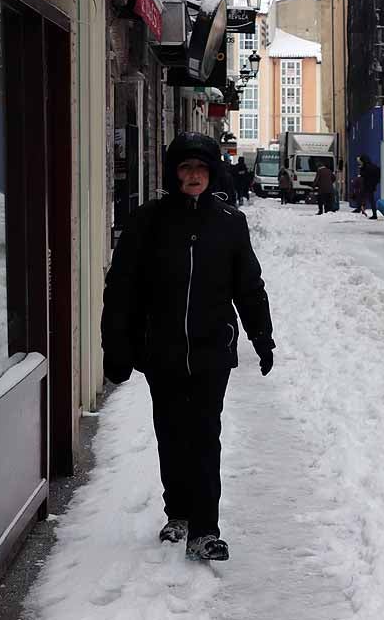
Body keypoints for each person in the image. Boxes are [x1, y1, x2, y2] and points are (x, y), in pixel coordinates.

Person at [101, 131, 275, 562]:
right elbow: (121, 288)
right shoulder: (148, 221)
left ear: (212, 172)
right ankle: (177, 511)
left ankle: (204, 529)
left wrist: (261, 335)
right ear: (173, 173)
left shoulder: (229, 222)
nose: (193, 176)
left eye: (200, 168)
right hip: (160, 349)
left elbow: (248, 286)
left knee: (204, 435)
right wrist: (116, 346)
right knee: (172, 433)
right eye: (185, 168)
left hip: (211, 348)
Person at [357, 154, 381, 219]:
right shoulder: (374, 166)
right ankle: (362, 209)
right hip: (372, 185)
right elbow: (379, 174)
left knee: (366, 198)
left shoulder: (365, 167)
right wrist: (376, 182)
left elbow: (363, 174)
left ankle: (373, 214)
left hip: (367, 185)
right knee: (369, 199)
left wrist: (361, 168)